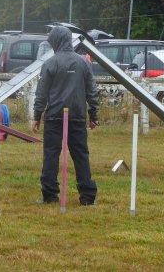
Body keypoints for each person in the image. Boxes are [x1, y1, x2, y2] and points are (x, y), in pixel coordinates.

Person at [32, 26, 99, 205]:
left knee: (51, 155)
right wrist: (94, 115)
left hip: (54, 116)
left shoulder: (50, 63)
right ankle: (87, 197)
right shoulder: (83, 62)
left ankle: (50, 195)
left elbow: (41, 93)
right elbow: (92, 91)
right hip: (77, 116)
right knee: (81, 156)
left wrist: (37, 115)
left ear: (55, 42)